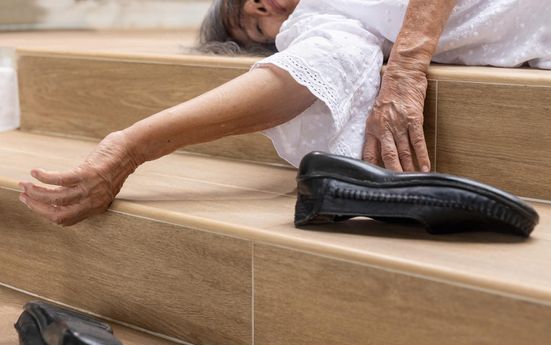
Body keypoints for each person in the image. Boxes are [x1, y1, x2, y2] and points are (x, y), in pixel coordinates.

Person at [18, 0, 550, 226]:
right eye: (253, 28)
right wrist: (131, 145)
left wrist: (408, 61)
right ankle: (348, 183)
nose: (262, 7)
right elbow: (304, 73)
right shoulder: (327, 22)